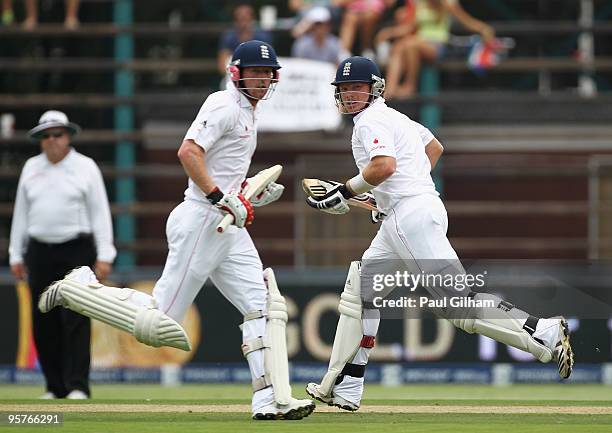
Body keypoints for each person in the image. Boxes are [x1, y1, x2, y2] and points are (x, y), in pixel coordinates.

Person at [38, 40, 315, 421]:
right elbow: (188, 152)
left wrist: (250, 192)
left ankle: (268, 400)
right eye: (256, 72)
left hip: (227, 224)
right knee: (158, 325)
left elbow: (222, 167)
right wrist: (221, 196)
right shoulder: (223, 104)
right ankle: (80, 289)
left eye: (268, 73)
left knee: (262, 309)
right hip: (203, 218)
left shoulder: (249, 112)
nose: (263, 80)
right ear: (237, 73)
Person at [304, 56, 574, 411]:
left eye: (358, 87)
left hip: (409, 216)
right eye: (345, 88)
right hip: (412, 211)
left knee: (457, 308)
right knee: (360, 289)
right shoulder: (396, 117)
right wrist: (394, 192)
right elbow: (434, 148)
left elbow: (383, 165)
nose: (351, 94)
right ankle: (345, 385)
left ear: (374, 89)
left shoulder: (369, 121)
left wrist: (347, 192)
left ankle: (543, 331)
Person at [9, 110, 116, 399]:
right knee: (43, 319)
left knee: (77, 317)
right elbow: (22, 213)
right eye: (46, 136)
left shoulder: (85, 167)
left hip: (76, 249)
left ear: (68, 136)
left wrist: (105, 254)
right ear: (40, 140)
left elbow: (100, 212)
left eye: (57, 134)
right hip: (40, 251)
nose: (52, 140)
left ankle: (78, 385)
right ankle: (54, 386)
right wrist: (15, 254)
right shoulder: (31, 167)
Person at [377, 0, 494, 98]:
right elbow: (409, 27)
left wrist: (483, 28)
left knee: (410, 43)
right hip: (418, 43)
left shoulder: (448, 3)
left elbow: (466, 21)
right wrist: (389, 33)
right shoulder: (419, 3)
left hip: (437, 45)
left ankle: (410, 85)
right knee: (398, 46)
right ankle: (389, 90)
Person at [217, 3, 273, 76]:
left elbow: (269, 63)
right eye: (240, 19)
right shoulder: (229, 36)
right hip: (233, 77)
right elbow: (221, 65)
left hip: (258, 76)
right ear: (235, 20)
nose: (244, 23)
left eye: (246, 19)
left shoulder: (263, 37)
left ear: (253, 19)